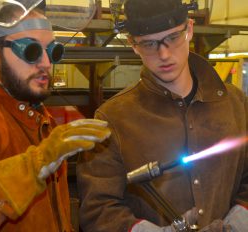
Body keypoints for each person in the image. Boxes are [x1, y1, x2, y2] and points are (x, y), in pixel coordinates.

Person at [76, 0, 248, 231]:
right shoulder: (112, 119)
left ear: (189, 29)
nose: (164, 53)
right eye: (149, 43)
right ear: (133, 45)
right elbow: (98, 208)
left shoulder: (236, 104)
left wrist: (236, 226)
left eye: (173, 38)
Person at [0, 0, 110, 231]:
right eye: (31, 50)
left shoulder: (41, 120)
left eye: (53, 51)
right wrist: (34, 165)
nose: (46, 63)